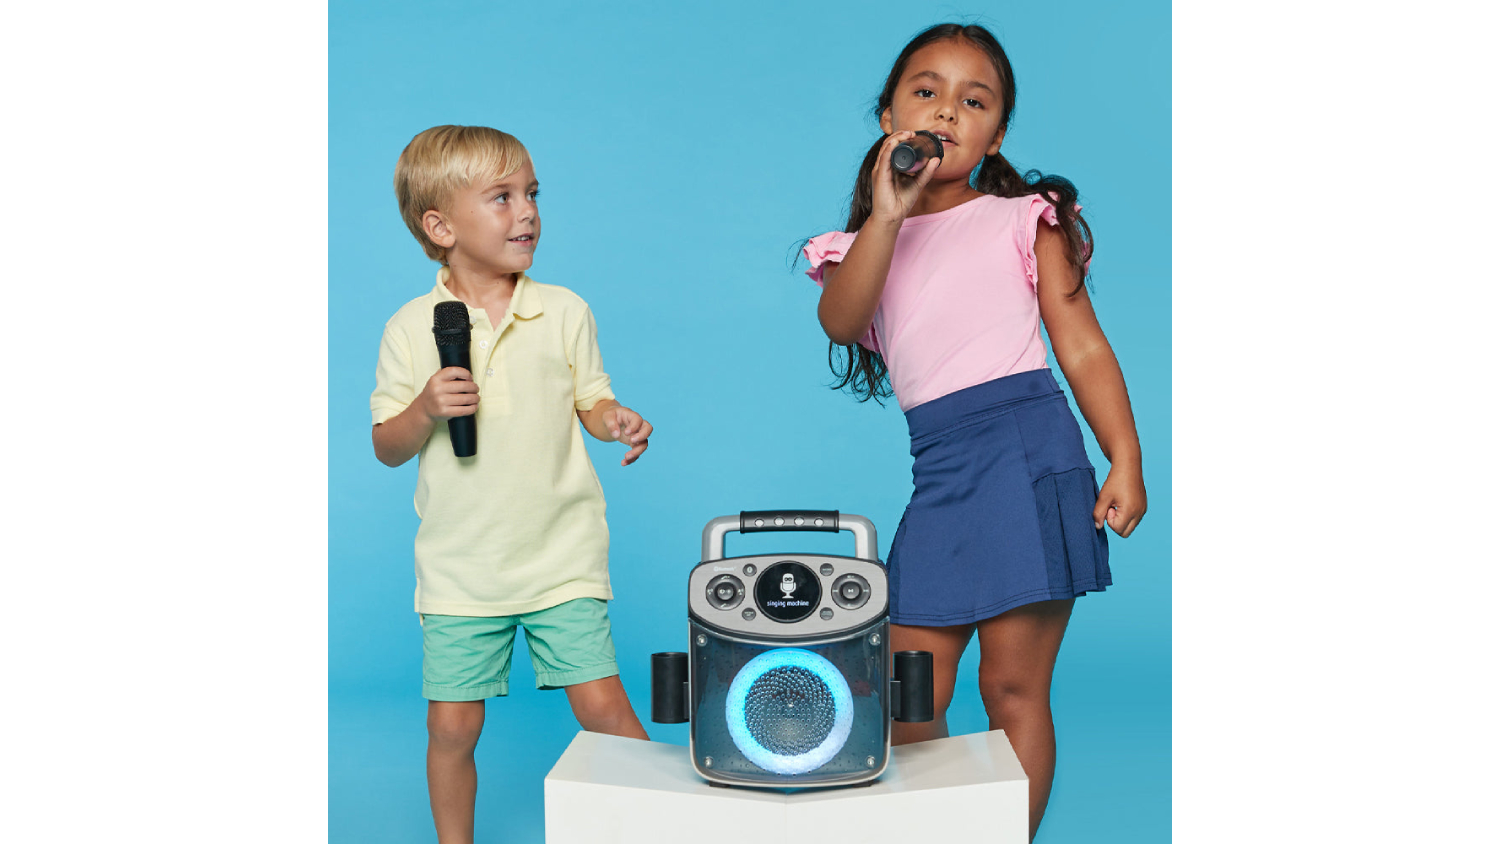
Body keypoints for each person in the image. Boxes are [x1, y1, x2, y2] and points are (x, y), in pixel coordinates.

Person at [803, 24, 1147, 841]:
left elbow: (1082, 346)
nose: (947, 111)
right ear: (889, 116)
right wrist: (888, 213)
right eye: (926, 91)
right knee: (906, 690)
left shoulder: (1025, 219)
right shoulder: (858, 249)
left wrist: (1125, 455)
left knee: (1013, 689)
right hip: (944, 469)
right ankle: (940, 828)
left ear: (996, 135)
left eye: (974, 100)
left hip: (1029, 453)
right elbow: (841, 322)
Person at [371, 125, 652, 844]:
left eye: (531, 193)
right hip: (463, 567)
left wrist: (614, 420)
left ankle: (662, 825)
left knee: (604, 709)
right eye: (501, 197)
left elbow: (591, 400)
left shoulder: (564, 310)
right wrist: (424, 408)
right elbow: (387, 446)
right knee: (451, 726)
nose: (526, 211)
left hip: (560, 554)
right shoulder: (410, 328)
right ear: (441, 228)